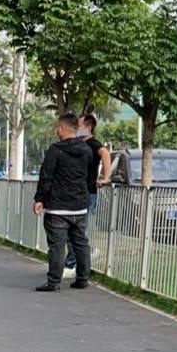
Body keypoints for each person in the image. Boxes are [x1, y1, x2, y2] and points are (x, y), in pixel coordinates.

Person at [32, 114, 95, 291]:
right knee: (81, 243)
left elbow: (46, 176)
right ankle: (83, 278)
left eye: (57, 128)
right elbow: (90, 176)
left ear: (62, 128)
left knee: (57, 246)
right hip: (79, 206)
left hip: (57, 208)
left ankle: (54, 281)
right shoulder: (86, 150)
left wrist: (39, 199)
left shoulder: (55, 150)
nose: (56, 131)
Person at [64, 111, 111, 273]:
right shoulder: (76, 143)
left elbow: (105, 153)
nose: (77, 128)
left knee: (77, 229)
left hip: (87, 192)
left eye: (79, 126)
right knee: (70, 228)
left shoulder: (93, 144)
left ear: (88, 127)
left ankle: (72, 263)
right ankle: (80, 258)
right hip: (74, 192)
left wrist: (105, 177)